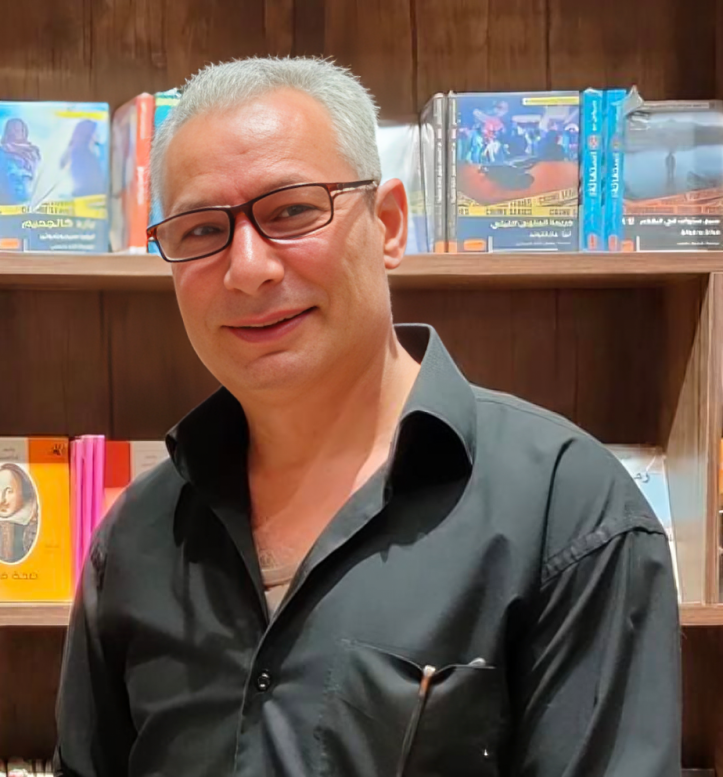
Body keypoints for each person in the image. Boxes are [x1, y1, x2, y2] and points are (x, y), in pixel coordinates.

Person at [54, 57, 681, 777]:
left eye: (291, 210)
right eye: (200, 230)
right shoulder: (135, 537)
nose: (248, 268)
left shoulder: (567, 512)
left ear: (388, 224)